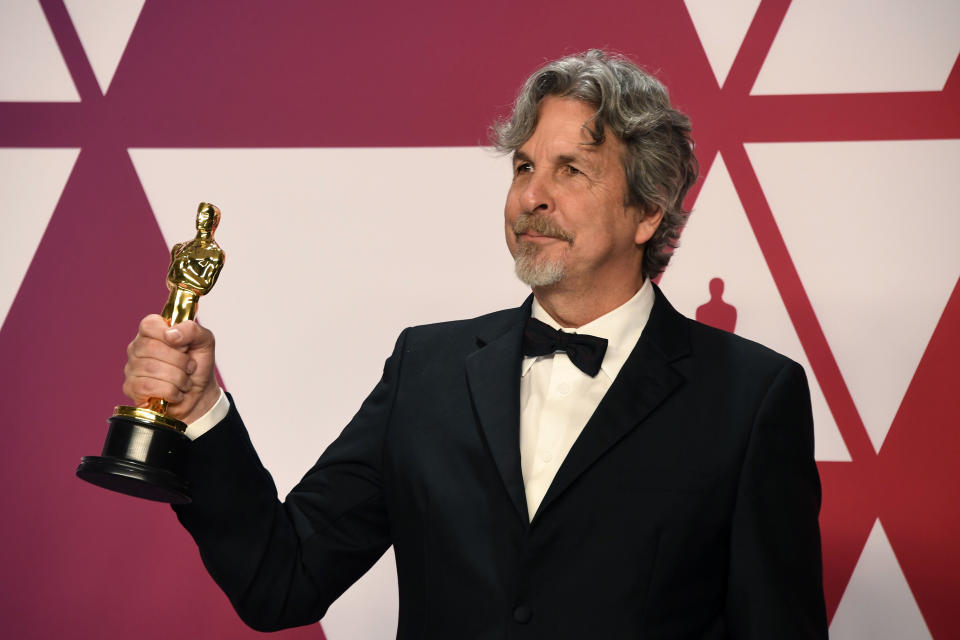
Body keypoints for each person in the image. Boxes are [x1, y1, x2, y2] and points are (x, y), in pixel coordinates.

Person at [122, 50, 828, 638]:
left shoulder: (750, 397)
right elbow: (281, 582)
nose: (532, 197)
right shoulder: (425, 371)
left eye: (570, 170)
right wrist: (202, 410)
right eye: (524, 167)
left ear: (648, 208)